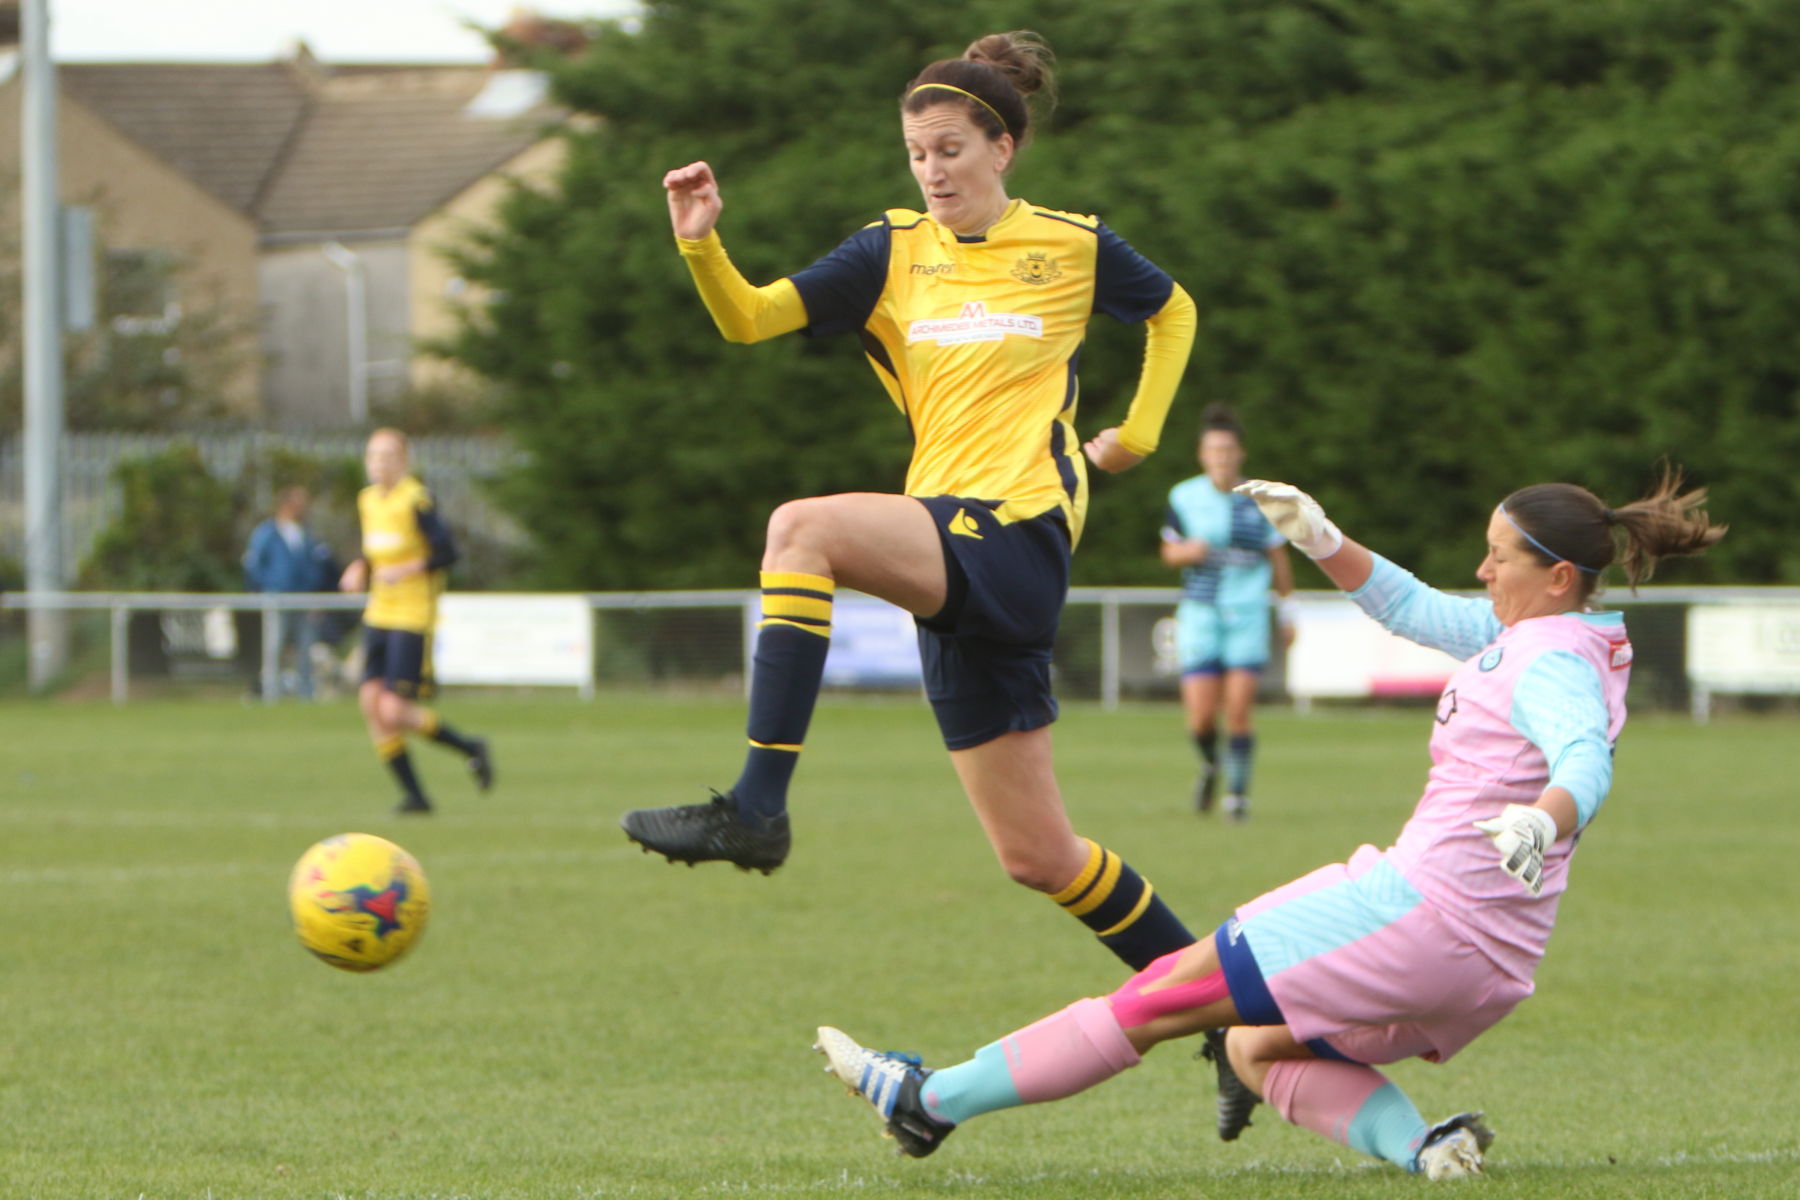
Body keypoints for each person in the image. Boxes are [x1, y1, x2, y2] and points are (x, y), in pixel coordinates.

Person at [813, 469, 1723, 1179]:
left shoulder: (1549, 659)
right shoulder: (1540, 635)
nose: (1482, 571)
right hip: (1489, 961)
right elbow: (1412, 607)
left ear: (1557, 575)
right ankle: (1428, 1148)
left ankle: (929, 1100)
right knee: (1252, 1046)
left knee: (1161, 996)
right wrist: (1322, 538)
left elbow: (1583, 762)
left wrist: (1543, 819)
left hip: (1417, 913)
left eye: (1498, 556)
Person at [621, 31, 1202, 971]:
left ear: (1002, 148)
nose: (933, 171)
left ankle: (757, 807)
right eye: (917, 154)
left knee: (799, 529)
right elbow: (752, 318)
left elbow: (1173, 308)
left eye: (951, 151)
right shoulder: (889, 251)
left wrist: (1135, 438)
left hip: (1018, 532)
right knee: (1039, 856)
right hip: (950, 546)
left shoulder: (1072, 245)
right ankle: (1234, 1011)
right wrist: (702, 244)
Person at [339, 428, 493, 815]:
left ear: (404, 461)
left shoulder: (416, 499)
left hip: (411, 615)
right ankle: (416, 797)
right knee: (370, 703)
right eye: (373, 455)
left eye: (389, 455)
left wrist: (406, 569)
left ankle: (470, 747)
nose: (380, 463)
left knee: (392, 710)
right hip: (379, 612)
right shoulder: (367, 500)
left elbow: (447, 553)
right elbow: (377, 550)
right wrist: (361, 567)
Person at [1160, 405, 1294, 819]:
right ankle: (1210, 764)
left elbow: (1278, 559)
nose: (1221, 457)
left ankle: (1238, 796)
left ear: (1240, 454)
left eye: (1228, 450)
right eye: (1213, 450)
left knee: (1238, 710)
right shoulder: (1183, 496)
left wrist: (1287, 611)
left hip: (1247, 614)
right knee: (1201, 717)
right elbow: (1169, 552)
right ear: (1202, 455)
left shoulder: (1259, 500)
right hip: (1200, 614)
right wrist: (1188, 552)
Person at [243, 485, 337, 700]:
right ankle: (271, 692)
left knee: (306, 648)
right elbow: (254, 565)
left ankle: (306, 693)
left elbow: (317, 567)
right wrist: (266, 589)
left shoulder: (307, 534)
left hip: (303, 600)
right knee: (274, 646)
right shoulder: (267, 533)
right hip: (277, 598)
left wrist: (316, 594)